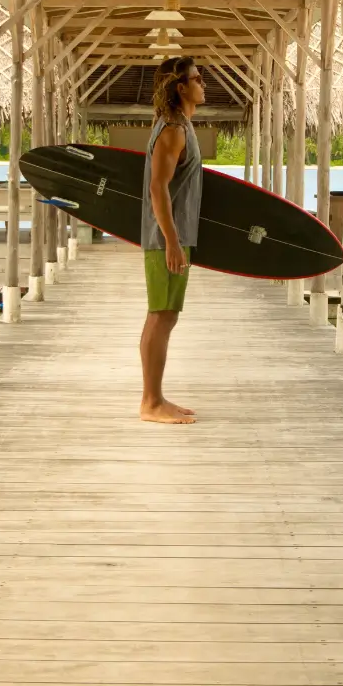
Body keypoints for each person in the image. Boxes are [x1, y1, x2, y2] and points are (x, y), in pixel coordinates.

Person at [139, 56, 206, 424]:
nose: (203, 83)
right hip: (166, 235)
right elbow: (157, 187)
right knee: (161, 316)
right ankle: (150, 403)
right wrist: (172, 241)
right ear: (181, 87)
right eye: (198, 78)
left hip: (172, 233)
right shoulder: (173, 129)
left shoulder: (179, 124)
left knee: (165, 316)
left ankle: (156, 397)